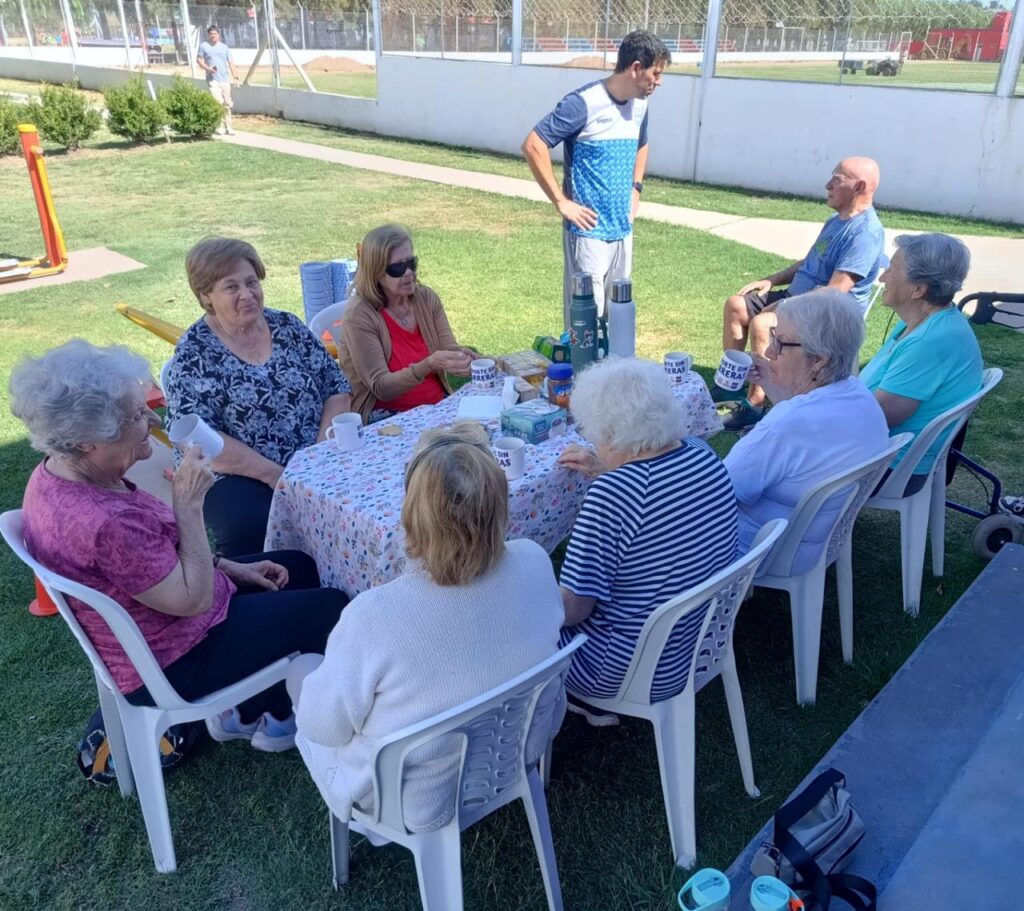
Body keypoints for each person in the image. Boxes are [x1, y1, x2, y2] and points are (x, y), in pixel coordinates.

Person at [10, 341, 348, 752]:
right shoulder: (102, 522)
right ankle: (291, 721)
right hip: (174, 658)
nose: (152, 417)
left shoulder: (59, 473)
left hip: (162, 619)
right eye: (135, 416)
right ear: (87, 441)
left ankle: (252, 710)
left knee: (297, 565)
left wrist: (231, 567)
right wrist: (189, 505)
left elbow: (154, 557)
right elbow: (194, 600)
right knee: (333, 607)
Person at [290, 422, 565, 829]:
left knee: (300, 670)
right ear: (500, 503)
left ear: (410, 516)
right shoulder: (535, 559)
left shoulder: (374, 616)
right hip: (514, 753)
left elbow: (323, 728)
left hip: (414, 801)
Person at [556, 359, 738, 725]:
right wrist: (610, 470)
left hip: (624, 668)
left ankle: (588, 704)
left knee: (513, 624)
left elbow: (573, 610)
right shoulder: (702, 453)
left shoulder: (613, 494)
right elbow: (660, 497)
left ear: (609, 434)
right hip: (699, 643)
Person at [165, 237, 352, 558]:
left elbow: (336, 387)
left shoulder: (287, 326)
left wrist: (319, 454)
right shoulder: (193, 354)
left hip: (315, 453)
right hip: (240, 474)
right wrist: (274, 475)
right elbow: (203, 444)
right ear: (205, 295)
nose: (247, 294)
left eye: (252, 282)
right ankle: (281, 591)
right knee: (249, 523)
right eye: (231, 287)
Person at [724, 290, 890, 574]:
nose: (769, 351)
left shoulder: (788, 423)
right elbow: (810, 427)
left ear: (819, 360)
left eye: (781, 342)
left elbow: (721, 489)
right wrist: (775, 383)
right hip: (816, 540)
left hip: (758, 547)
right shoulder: (859, 395)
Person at [721, 157, 886, 431]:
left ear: (859, 186)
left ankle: (755, 405)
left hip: (826, 315)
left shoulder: (865, 234)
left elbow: (835, 292)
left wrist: (783, 307)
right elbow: (808, 262)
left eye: (837, 179)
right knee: (736, 305)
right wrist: (771, 280)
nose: (827, 184)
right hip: (799, 300)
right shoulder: (837, 220)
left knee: (763, 323)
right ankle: (731, 384)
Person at [522, 30, 672, 329]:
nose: (659, 82)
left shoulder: (640, 106)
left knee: (619, 321)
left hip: (622, 230)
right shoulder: (583, 103)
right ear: (636, 68)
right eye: (656, 74)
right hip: (587, 234)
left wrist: (636, 189)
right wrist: (562, 202)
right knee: (585, 325)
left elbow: (642, 144)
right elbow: (533, 145)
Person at [860, 233, 982, 494]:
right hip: (880, 452)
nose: (883, 277)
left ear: (918, 289)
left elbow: (877, 418)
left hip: (888, 465)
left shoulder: (930, 342)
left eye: (892, 269)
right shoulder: (923, 323)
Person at [339, 225, 474, 423]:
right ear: (375, 272)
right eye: (397, 268)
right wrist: (428, 365)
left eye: (412, 263)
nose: (409, 272)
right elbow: (381, 387)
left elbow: (449, 348)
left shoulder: (426, 298)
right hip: (386, 419)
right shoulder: (360, 315)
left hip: (437, 407)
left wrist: (466, 359)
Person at [196, 25, 238, 136]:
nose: (213, 35)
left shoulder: (224, 47)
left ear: (218, 35)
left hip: (225, 79)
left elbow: (231, 63)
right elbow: (199, 60)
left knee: (227, 104)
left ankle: (229, 127)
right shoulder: (204, 46)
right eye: (211, 34)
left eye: (215, 33)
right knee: (218, 102)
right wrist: (207, 68)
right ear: (208, 35)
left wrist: (236, 77)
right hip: (212, 80)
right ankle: (219, 127)